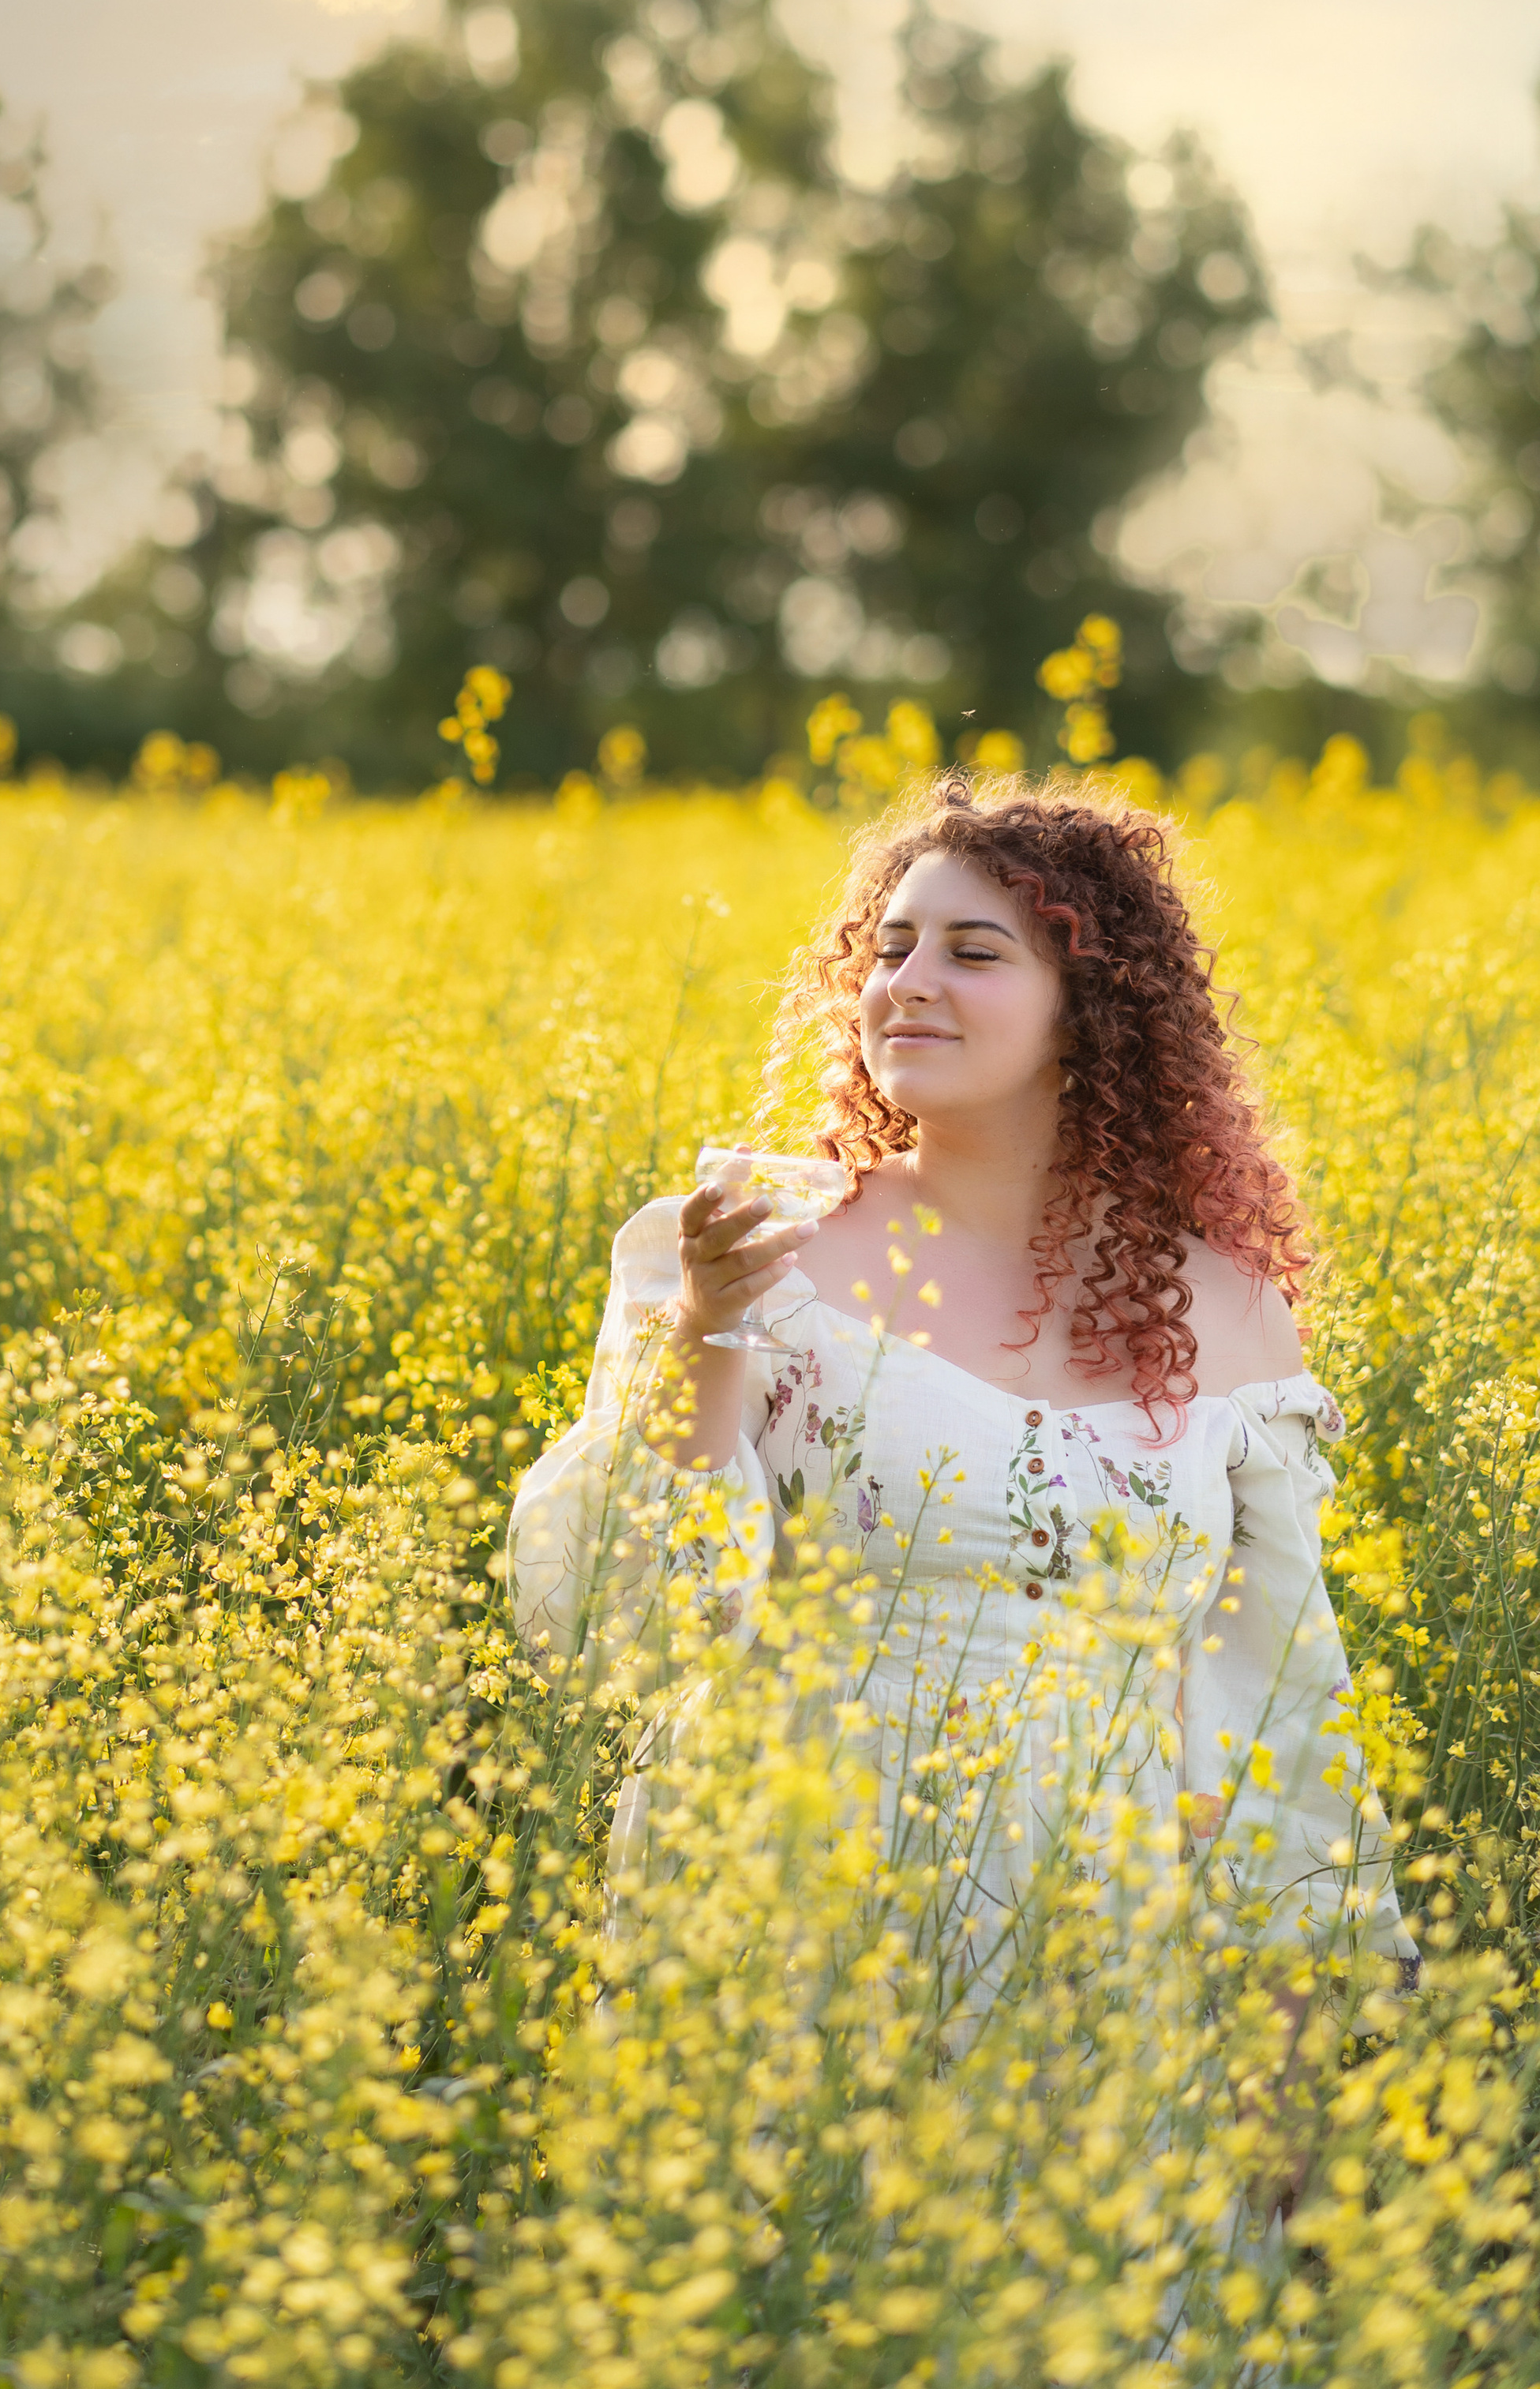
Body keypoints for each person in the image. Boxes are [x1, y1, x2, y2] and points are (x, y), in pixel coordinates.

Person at [508, 778, 1415, 2018]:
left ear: (1089, 1006)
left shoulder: (1232, 1313)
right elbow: (632, 1628)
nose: (909, 980)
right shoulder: (754, 1244)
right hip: (783, 1909)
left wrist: (1290, 2041)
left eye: (972, 952)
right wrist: (707, 1326)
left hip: (1097, 1934)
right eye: (890, 948)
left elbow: (1274, 1702)